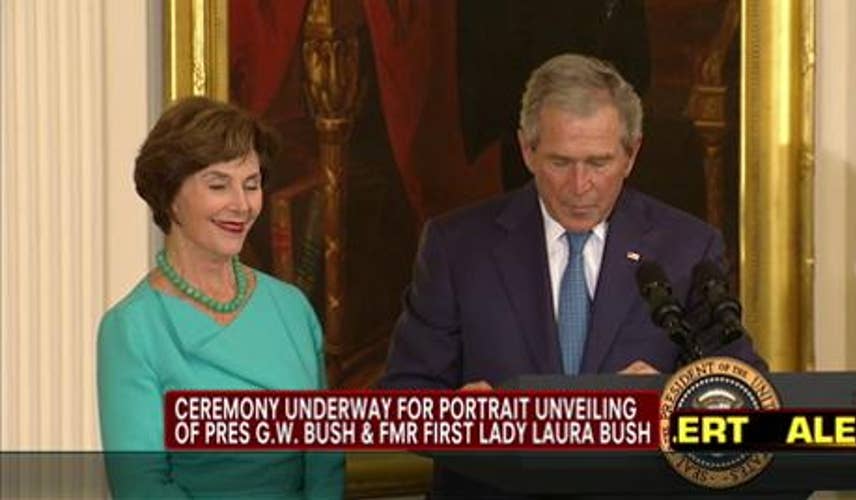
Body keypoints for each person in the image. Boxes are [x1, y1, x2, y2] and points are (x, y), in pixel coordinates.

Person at [380, 54, 766, 496]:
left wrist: (668, 404)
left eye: (599, 163)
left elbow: (745, 393)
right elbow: (402, 401)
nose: (580, 185)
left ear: (632, 153)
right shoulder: (457, 246)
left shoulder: (687, 248)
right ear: (527, 149)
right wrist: (462, 423)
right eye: (560, 162)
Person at [97, 96, 343, 498]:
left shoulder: (292, 308)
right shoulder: (131, 328)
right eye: (218, 185)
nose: (242, 205)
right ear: (170, 194)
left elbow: (325, 462)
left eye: (252, 184)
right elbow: (141, 486)